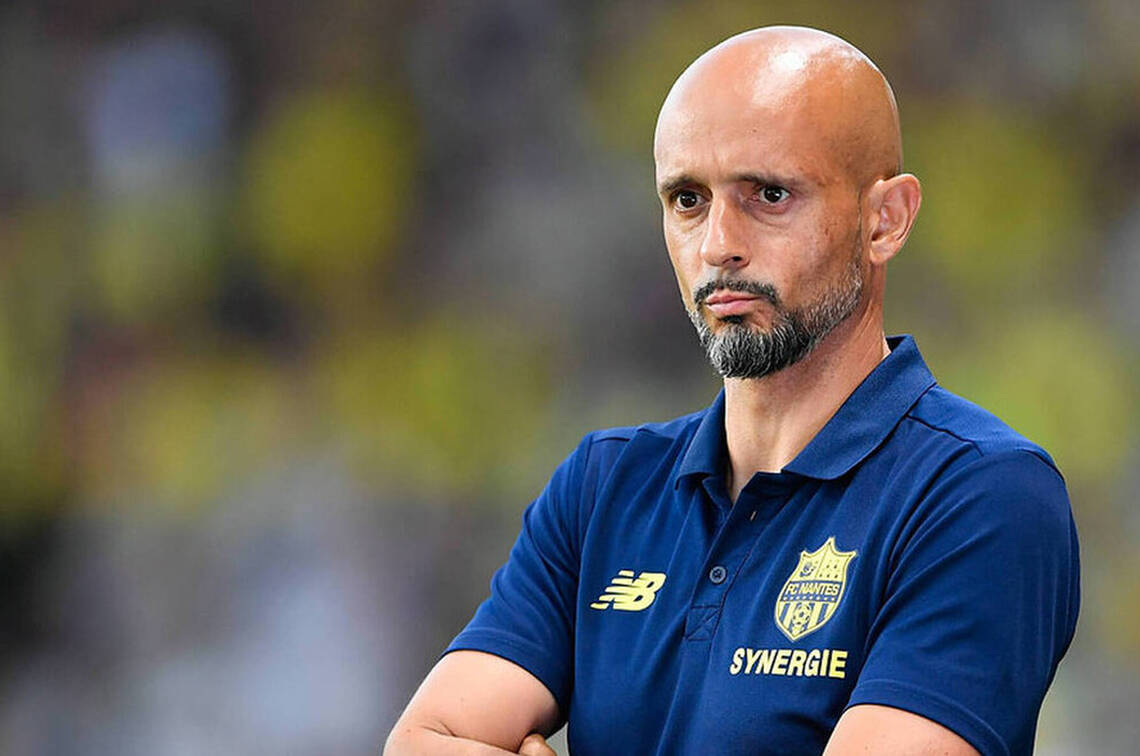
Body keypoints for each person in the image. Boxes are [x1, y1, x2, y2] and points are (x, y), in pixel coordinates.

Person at [385, 25, 1079, 756]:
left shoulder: (981, 494)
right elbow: (422, 741)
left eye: (770, 194)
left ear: (886, 220)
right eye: (687, 199)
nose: (718, 244)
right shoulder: (603, 486)